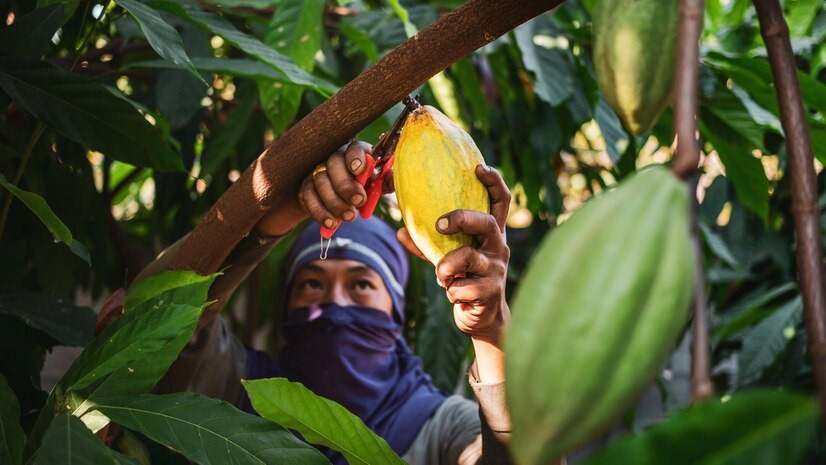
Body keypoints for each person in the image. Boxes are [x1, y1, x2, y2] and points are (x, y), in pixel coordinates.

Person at [105, 141, 514, 464]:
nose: (334, 306)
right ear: (286, 307)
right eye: (313, 285)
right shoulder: (238, 395)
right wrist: (285, 208)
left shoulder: (443, 430)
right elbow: (149, 323)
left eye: (361, 286)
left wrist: (491, 329)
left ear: (396, 309)